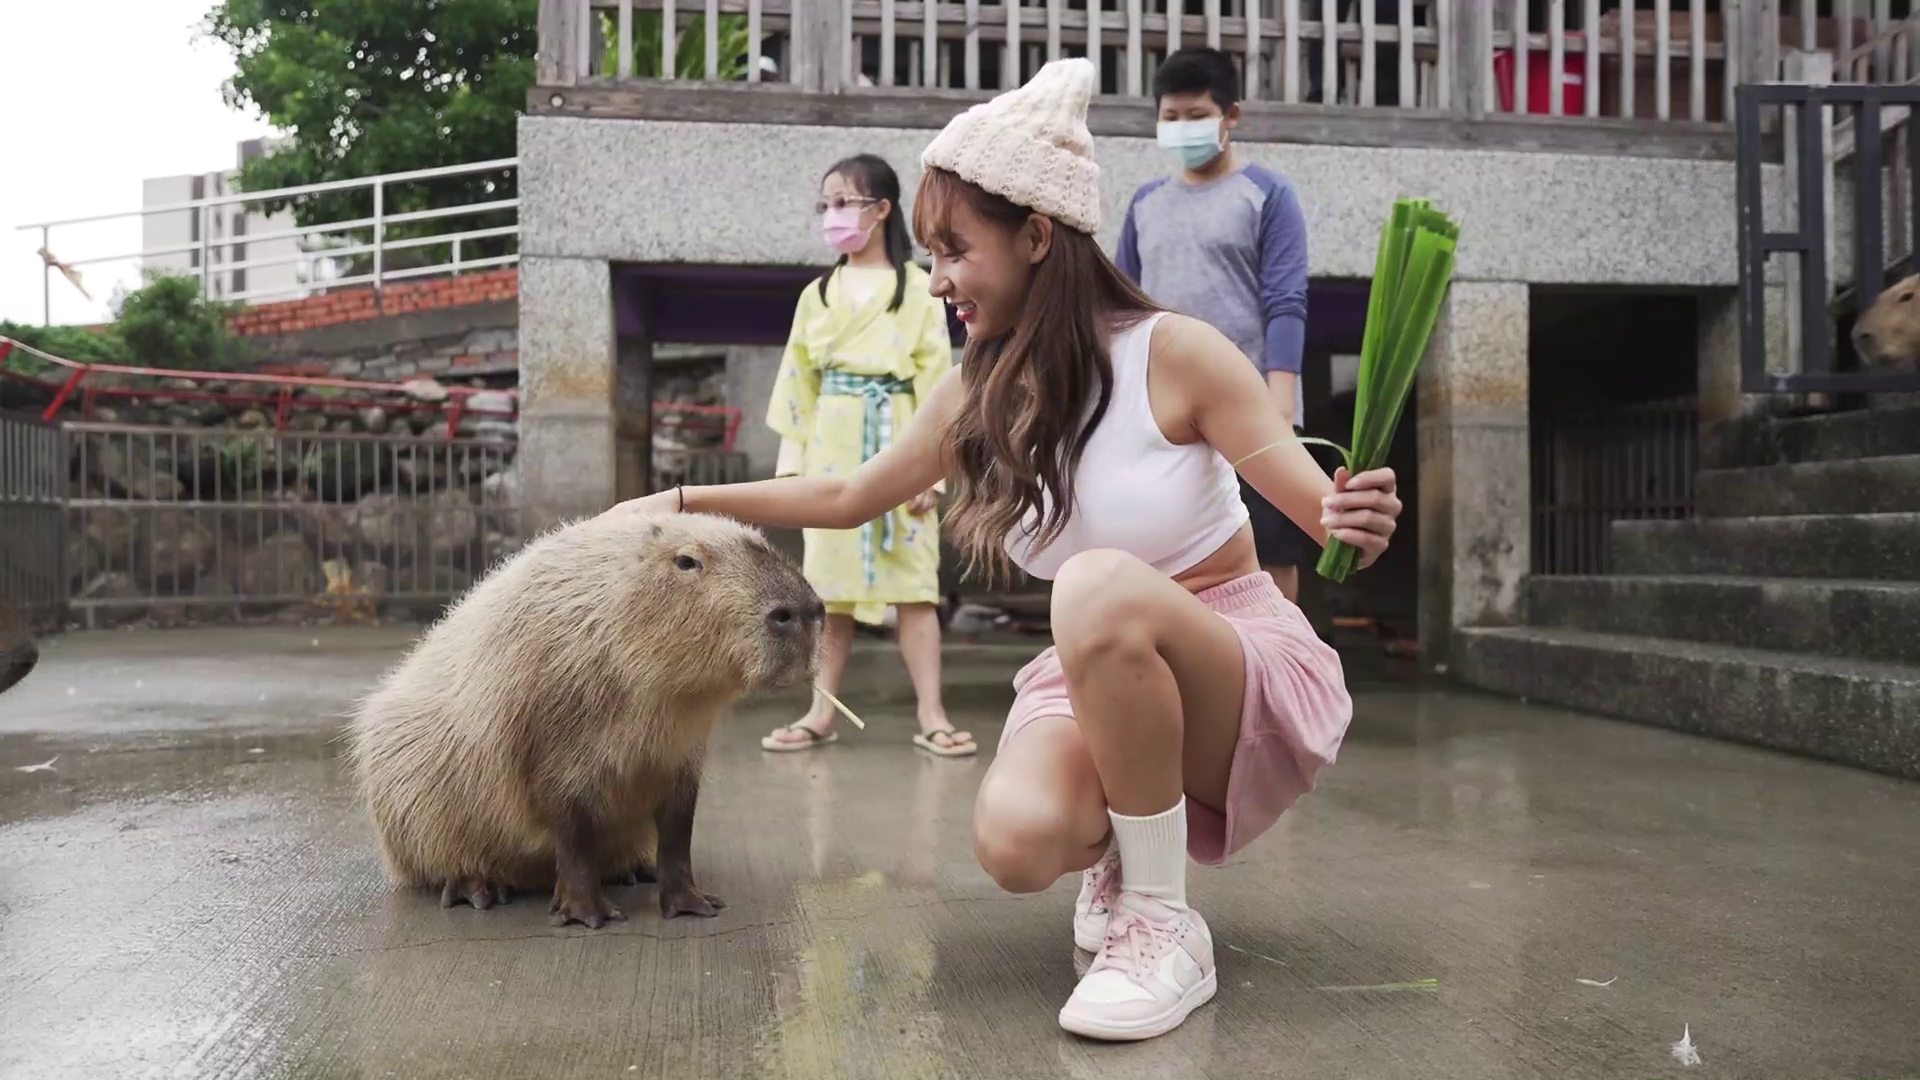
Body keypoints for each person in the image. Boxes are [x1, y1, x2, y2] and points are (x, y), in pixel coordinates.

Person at [609, 58, 1401, 1042]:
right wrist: (678, 500)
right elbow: (847, 495)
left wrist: (1358, 520)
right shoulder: (976, 391)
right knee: (1017, 841)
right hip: (1095, 663)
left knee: (1096, 586)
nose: (937, 278)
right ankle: (1124, 852)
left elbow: (1327, 520)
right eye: (930, 253)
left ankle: (1162, 923)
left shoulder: (1178, 353)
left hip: (1227, 658)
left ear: (1036, 235)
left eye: (955, 249)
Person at [760, 153, 976, 759]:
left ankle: (932, 714)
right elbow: (797, 385)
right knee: (827, 592)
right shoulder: (817, 295)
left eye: (844, 202)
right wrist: (791, 469)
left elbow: (937, 383)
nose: (832, 215)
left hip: (899, 439)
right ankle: (820, 712)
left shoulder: (919, 292)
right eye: (825, 204)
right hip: (830, 445)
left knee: (916, 590)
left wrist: (932, 471)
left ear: (881, 210)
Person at [1116, 45, 1317, 604]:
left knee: (1269, 554)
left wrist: (1280, 410)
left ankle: (1278, 653)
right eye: (1171, 116)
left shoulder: (1269, 195)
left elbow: (1285, 302)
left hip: (1251, 408)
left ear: (1231, 116)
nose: (1183, 127)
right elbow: (1122, 309)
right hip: (1163, 415)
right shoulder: (1145, 204)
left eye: (1197, 115)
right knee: (1170, 557)